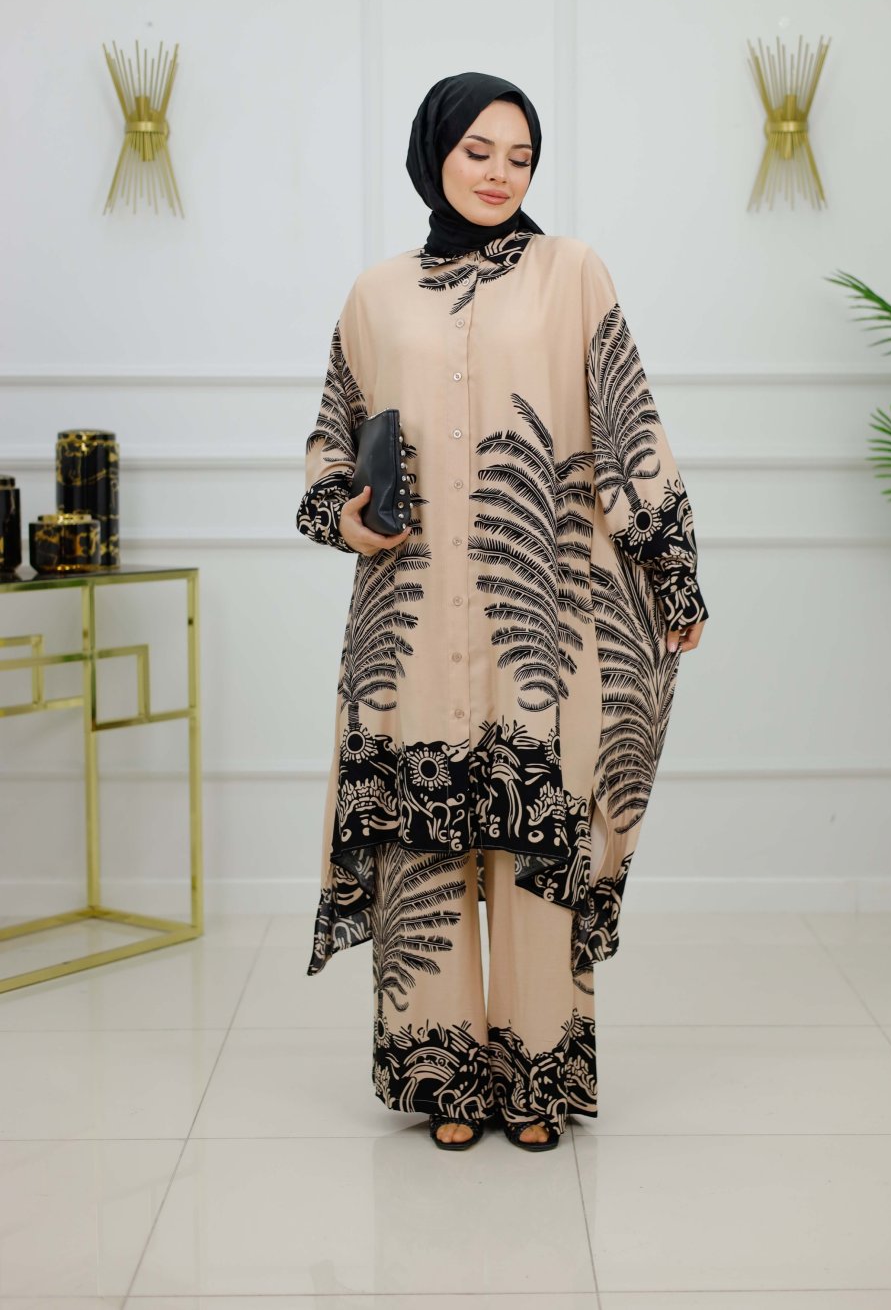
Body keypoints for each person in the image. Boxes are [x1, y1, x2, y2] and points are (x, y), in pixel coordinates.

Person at [296, 70, 709, 1152]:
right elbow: (333, 442)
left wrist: (670, 569)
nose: (498, 174)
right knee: (423, 854)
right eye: (477, 151)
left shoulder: (572, 273)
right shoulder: (374, 294)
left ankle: (535, 1076)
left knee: (536, 845)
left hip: (544, 623)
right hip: (409, 623)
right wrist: (347, 517)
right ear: (434, 151)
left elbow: (627, 424)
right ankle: (444, 1076)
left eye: (519, 157)